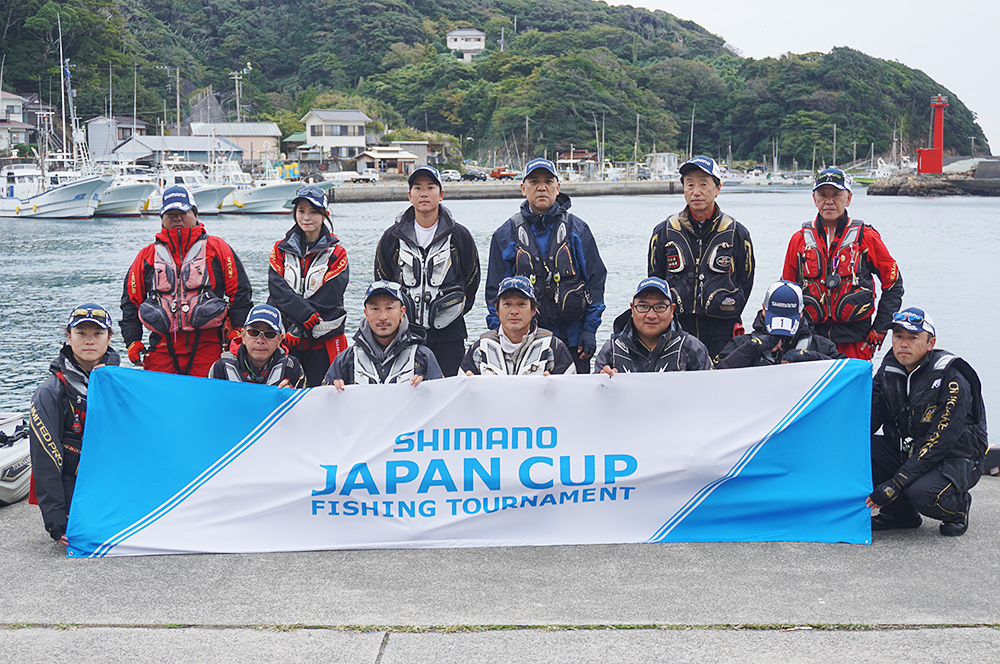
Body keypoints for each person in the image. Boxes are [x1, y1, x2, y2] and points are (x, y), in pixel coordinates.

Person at [868, 308, 988, 537]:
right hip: (911, 449)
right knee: (858, 448)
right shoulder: (888, 371)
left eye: (913, 338)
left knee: (922, 495)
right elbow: (870, 419)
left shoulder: (951, 378)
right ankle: (900, 514)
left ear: (930, 343)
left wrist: (896, 483)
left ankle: (957, 508)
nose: (903, 344)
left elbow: (941, 441)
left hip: (955, 457)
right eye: (898, 336)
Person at [485, 157, 607, 373]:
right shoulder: (505, 235)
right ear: (523, 188)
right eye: (534, 182)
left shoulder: (578, 230)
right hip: (523, 342)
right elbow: (495, 292)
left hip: (573, 340)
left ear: (557, 188)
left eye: (548, 182)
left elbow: (596, 283)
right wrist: (499, 335)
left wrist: (589, 330)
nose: (541, 187)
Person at [121, 184, 253, 377]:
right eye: (171, 214)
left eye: (183, 213)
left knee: (209, 393)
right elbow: (130, 301)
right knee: (158, 394)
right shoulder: (146, 256)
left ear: (196, 215)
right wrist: (133, 340)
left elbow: (240, 292)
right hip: (162, 346)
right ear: (162, 219)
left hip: (209, 344)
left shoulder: (218, 248)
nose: (177, 218)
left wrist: (239, 330)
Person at [781, 168, 903, 360]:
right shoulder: (799, 240)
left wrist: (879, 331)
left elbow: (893, 284)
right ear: (814, 198)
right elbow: (786, 291)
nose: (829, 201)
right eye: (823, 195)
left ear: (848, 198)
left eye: (836, 195)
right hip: (810, 339)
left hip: (855, 341)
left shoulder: (866, 237)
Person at [374, 166, 480, 377]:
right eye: (418, 188)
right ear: (409, 195)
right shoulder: (392, 237)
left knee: (450, 389)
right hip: (404, 335)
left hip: (450, 335)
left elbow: (472, 279)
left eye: (430, 187)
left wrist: (452, 309)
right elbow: (382, 283)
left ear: (441, 194)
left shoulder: (460, 236)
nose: (424, 193)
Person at [29, 304, 121, 544]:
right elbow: (45, 458)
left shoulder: (124, 384)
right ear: (68, 338)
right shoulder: (50, 391)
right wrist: (55, 519)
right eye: (81, 333)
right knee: (87, 534)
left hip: (117, 478)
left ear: (109, 338)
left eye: (98, 333)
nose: (89, 340)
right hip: (74, 481)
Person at [647, 155, 755, 359]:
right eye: (690, 184)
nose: (696, 191)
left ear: (718, 188)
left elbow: (746, 280)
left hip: (722, 328)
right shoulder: (664, 231)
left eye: (703, 184)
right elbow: (655, 280)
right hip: (677, 327)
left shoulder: (736, 232)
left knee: (722, 376)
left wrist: (731, 306)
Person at [268, 185, 349, 386]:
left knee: (322, 391)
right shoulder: (280, 249)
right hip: (286, 337)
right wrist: (300, 318)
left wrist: (301, 324)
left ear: (324, 215)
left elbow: (330, 295)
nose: (306, 217)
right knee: (284, 390)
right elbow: (277, 289)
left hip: (321, 340)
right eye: (301, 211)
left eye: (313, 212)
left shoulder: (337, 253)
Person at [323, 281, 443, 389]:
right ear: (366, 313)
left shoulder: (423, 357)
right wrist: (333, 389)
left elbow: (442, 397)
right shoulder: (346, 360)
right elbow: (323, 399)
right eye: (375, 309)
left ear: (402, 312)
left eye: (389, 308)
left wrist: (427, 387)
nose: (383, 317)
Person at [715, 280, 846, 369]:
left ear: (801, 312)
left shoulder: (819, 346)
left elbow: (848, 371)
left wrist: (810, 357)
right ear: (764, 309)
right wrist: (751, 348)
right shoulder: (742, 343)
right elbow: (717, 373)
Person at [594, 277, 712, 375]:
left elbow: (710, 389)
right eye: (643, 306)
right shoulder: (611, 350)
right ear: (632, 309)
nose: (651, 315)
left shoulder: (692, 348)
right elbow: (595, 392)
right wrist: (601, 381)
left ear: (672, 310)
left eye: (660, 307)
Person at [461, 276, 576, 376]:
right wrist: (468, 384)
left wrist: (553, 386)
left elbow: (570, 390)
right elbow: (460, 391)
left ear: (534, 310)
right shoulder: (480, 349)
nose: (514, 311)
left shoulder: (554, 348)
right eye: (507, 304)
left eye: (521, 304)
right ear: (497, 309)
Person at [209, 304, 305, 388]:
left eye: (269, 334)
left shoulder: (291, 367)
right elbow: (208, 399)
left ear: (279, 340)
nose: (260, 340)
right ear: (243, 336)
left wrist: (292, 394)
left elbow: (305, 400)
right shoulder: (221, 367)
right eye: (254, 332)